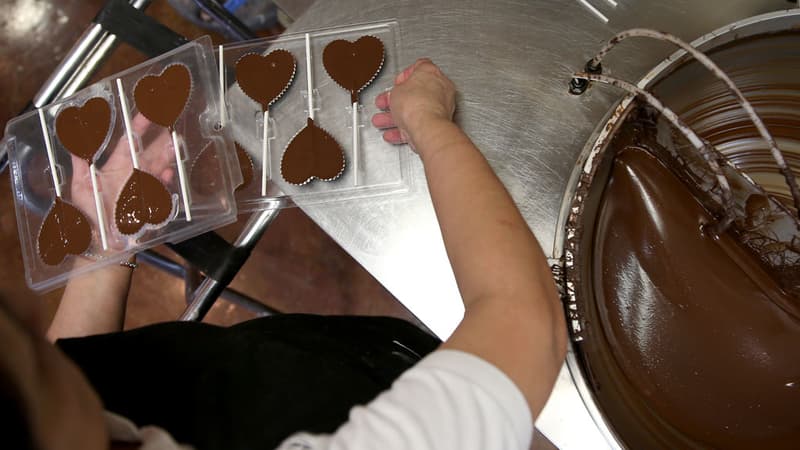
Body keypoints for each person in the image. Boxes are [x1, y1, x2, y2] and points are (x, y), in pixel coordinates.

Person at [1, 59, 566, 450]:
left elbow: (70, 371)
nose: (44, 337)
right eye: (36, 357)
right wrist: (430, 125)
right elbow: (524, 321)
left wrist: (106, 246)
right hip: (357, 391)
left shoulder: (65, 407)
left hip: (295, 358)